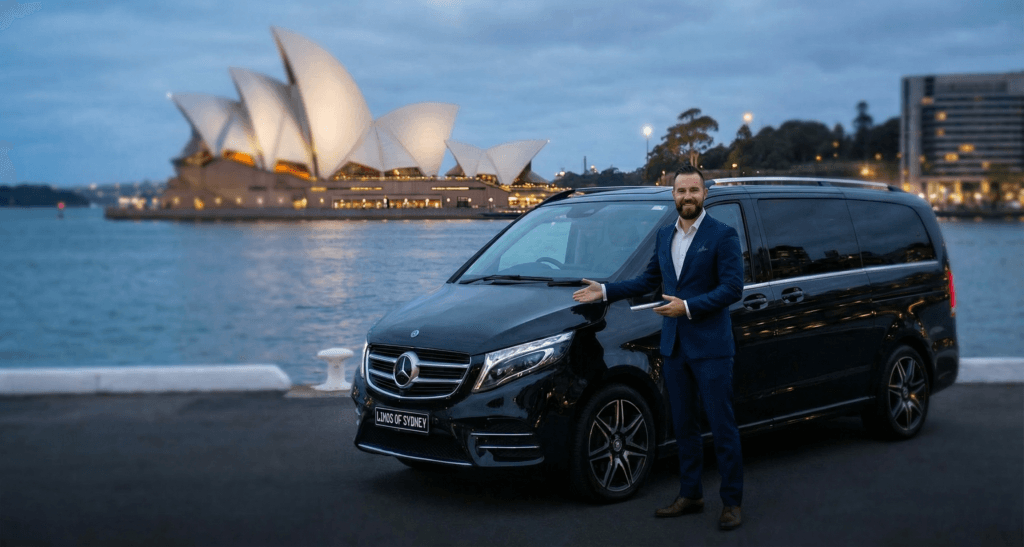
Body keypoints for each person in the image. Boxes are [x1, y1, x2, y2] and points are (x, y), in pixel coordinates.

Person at [572, 164, 745, 530]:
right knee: (683, 426)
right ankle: (691, 494)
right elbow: (648, 279)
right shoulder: (665, 235)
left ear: (705, 194)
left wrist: (688, 307)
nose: (687, 196)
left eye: (694, 190)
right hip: (675, 347)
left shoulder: (723, 235)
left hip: (711, 348)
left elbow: (732, 288)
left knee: (722, 426)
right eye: (681, 191)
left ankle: (732, 502)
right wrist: (604, 290)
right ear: (673, 195)